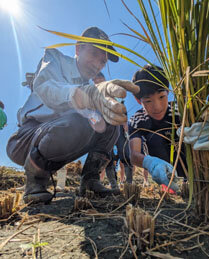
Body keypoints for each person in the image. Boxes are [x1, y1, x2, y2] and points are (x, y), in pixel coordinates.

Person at [6, 26, 139, 204]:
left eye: (102, 62)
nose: (97, 64)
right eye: (93, 54)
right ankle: (35, 181)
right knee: (79, 120)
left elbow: (95, 123)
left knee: (109, 122)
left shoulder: (90, 86)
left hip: (59, 139)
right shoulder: (55, 58)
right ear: (78, 48)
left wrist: (101, 117)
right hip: (26, 139)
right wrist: (79, 94)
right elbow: (45, 87)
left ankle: (90, 180)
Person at [128, 64, 209, 194]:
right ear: (138, 100)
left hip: (196, 164)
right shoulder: (137, 120)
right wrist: (151, 164)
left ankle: (194, 180)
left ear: (168, 92)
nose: (157, 107)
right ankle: (169, 182)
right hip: (166, 169)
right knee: (155, 138)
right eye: (148, 101)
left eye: (161, 97)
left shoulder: (182, 110)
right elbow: (134, 155)